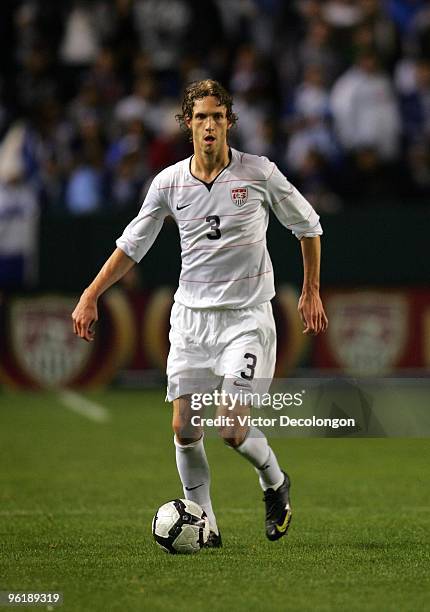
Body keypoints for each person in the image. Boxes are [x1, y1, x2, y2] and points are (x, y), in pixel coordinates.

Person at [72, 79, 328, 548]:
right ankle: (205, 523)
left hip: (246, 318)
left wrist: (310, 291)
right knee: (185, 427)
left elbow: (308, 227)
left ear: (229, 121)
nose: (209, 125)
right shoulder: (168, 182)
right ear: (187, 124)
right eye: (200, 117)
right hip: (191, 319)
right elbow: (132, 246)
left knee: (230, 427)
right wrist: (90, 294)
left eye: (216, 116)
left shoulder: (259, 174)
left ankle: (274, 481)